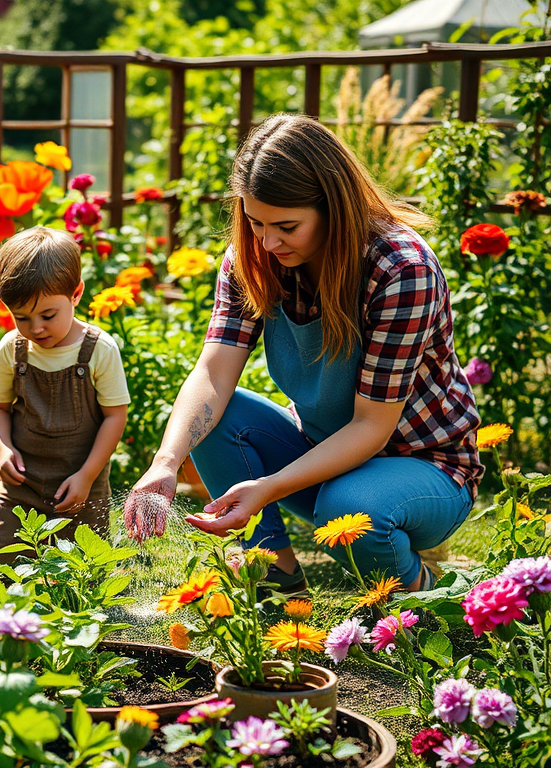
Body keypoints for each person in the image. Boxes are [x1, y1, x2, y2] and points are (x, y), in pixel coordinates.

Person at [123, 114, 483, 594]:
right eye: (255, 224)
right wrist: (167, 460)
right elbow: (213, 371)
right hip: (320, 450)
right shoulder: (254, 257)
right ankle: (275, 577)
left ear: (333, 207)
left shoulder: (401, 270)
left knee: (347, 511)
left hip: (425, 465)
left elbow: (371, 427)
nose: (268, 242)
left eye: (286, 226)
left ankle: (430, 588)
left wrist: (268, 488)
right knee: (210, 418)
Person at [0, 227, 130, 564]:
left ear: (76, 294)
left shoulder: (99, 350)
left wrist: (87, 475)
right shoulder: (12, 349)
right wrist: (2, 450)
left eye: (47, 315)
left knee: (84, 572)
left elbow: (115, 416)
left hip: (79, 487)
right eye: (21, 318)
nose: (35, 329)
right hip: (21, 486)